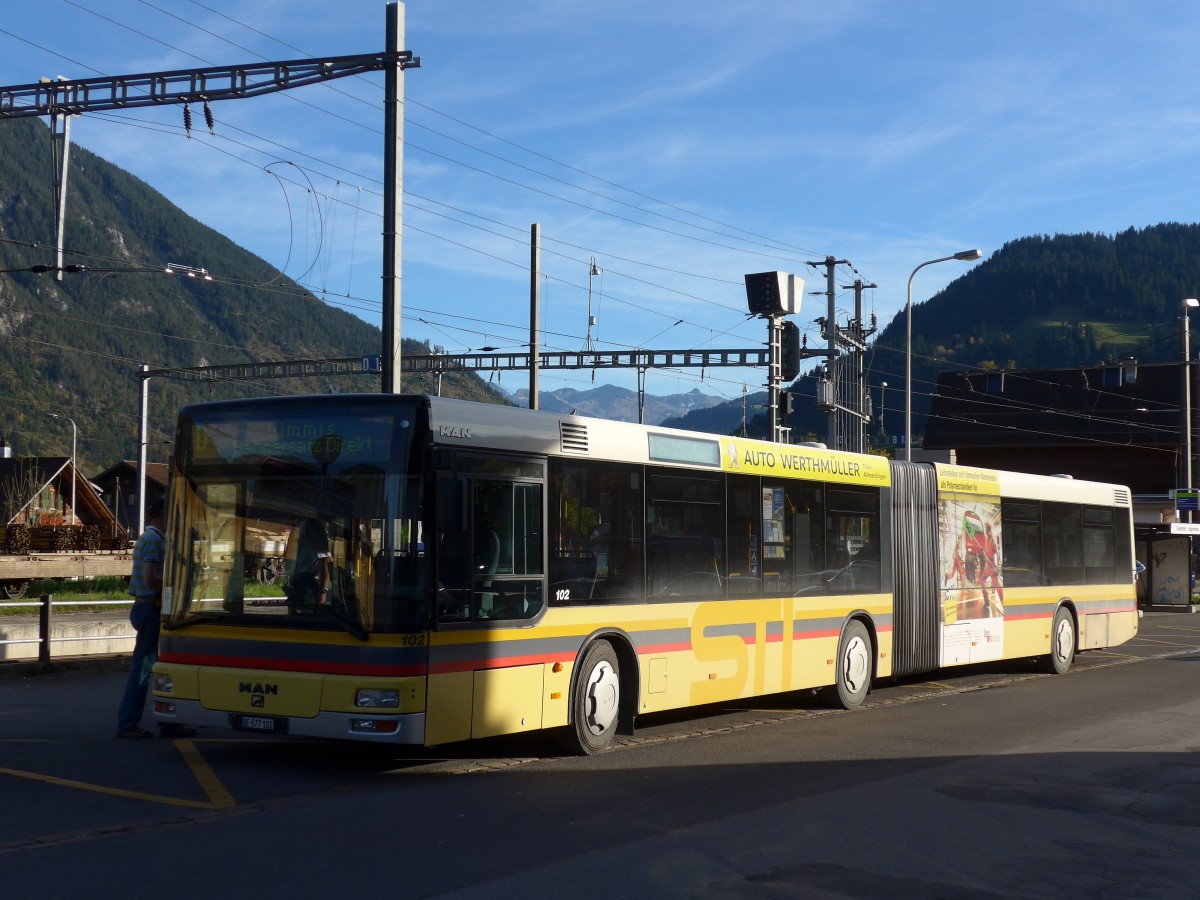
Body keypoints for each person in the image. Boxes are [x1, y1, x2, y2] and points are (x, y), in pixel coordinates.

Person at [115, 499, 196, 739]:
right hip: (152, 608)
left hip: (151, 608)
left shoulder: (152, 538)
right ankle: (128, 724)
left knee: (159, 667)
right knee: (144, 669)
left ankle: (167, 723)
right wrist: (176, 586)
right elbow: (151, 579)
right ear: (164, 515)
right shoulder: (152, 540)